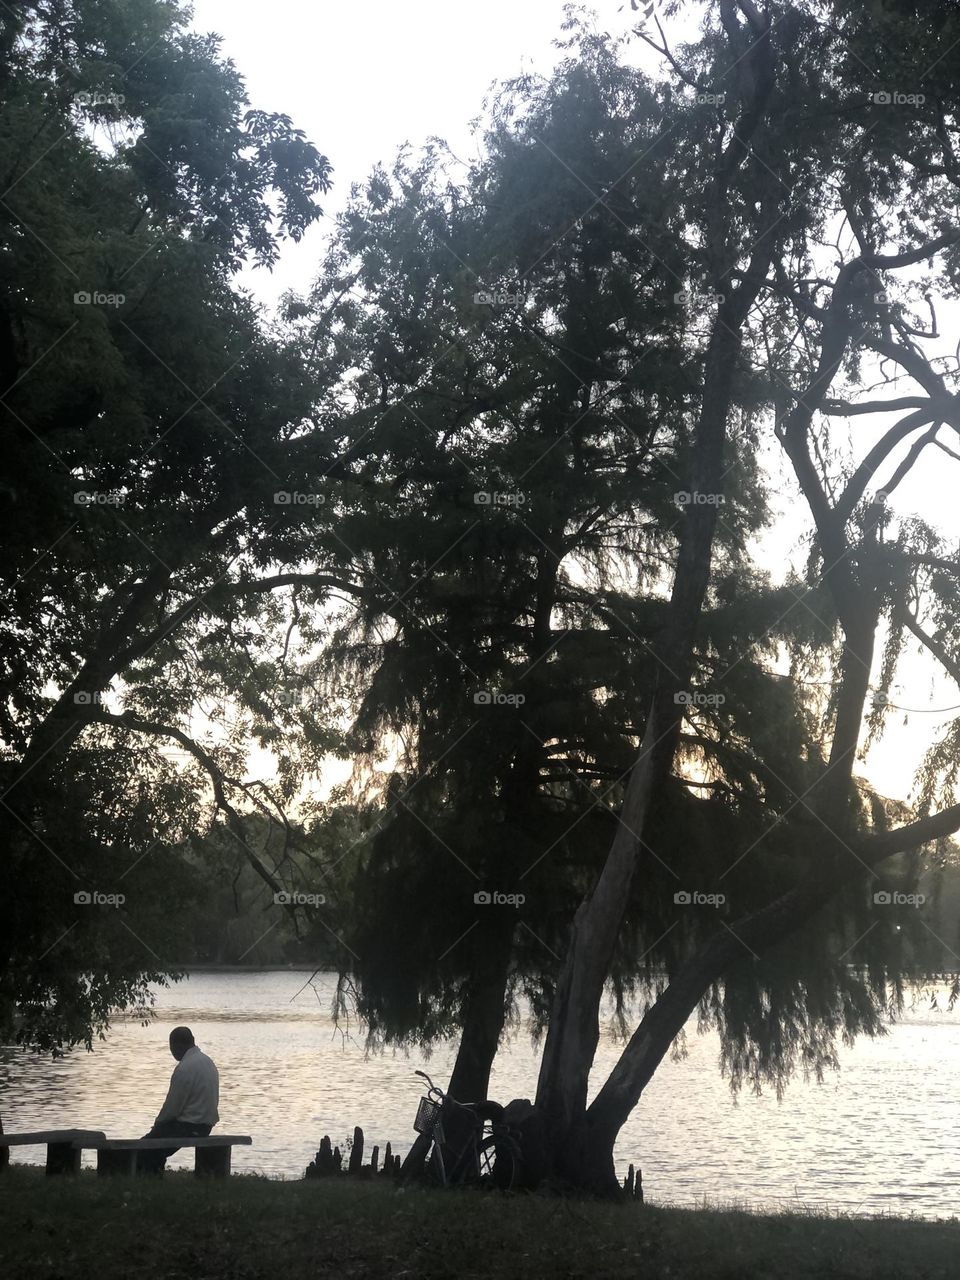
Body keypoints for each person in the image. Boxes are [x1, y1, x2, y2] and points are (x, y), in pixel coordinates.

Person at [137, 1026, 219, 1174]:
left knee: (145, 1146)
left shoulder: (185, 1068)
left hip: (189, 1126)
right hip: (206, 1125)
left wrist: (158, 1123)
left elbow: (173, 1107)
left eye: (171, 1047)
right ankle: (154, 1175)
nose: (172, 1052)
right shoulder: (208, 1062)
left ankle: (147, 1177)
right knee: (156, 1142)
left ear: (176, 1045)